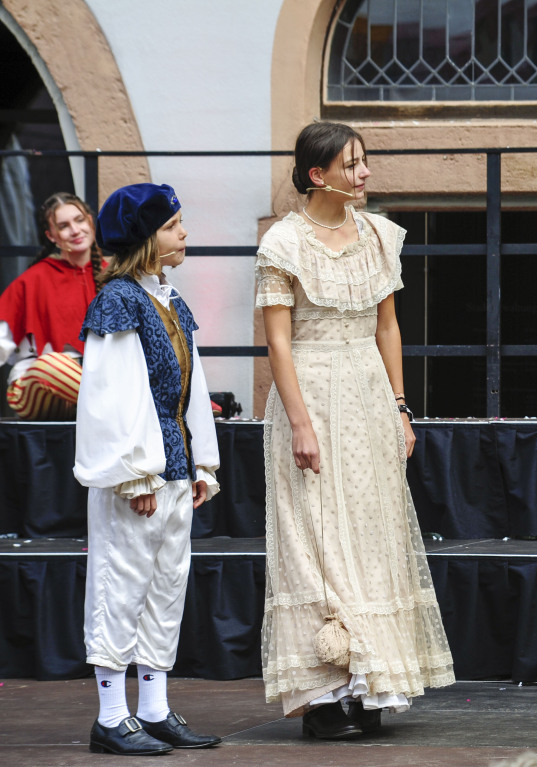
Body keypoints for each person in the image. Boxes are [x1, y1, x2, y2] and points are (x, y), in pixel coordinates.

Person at [258, 121, 454, 738]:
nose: (365, 173)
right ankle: (321, 693)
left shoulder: (377, 236)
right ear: (318, 175)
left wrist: (400, 405)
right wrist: (299, 422)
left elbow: (387, 326)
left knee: (372, 533)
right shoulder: (284, 243)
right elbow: (278, 343)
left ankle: (370, 680)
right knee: (311, 537)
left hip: (367, 398)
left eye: (365, 162)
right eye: (352, 164)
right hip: (309, 394)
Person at [74, 183, 222, 756]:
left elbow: (193, 384)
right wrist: (133, 475)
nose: (183, 232)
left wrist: (200, 461)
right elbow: (114, 396)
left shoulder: (169, 300)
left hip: (174, 466)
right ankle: (112, 716)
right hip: (137, 473)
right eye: (173, 225)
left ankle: (154, 709)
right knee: (121, 585)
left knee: (165, 587)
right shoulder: (118, 301)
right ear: (145, 238)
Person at [0, 193, 104, 419]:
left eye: (79, 220)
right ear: (52, 236)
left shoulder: (115, 277)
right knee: (52, 366)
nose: (75, 230)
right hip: (40, 387)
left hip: (96, 382)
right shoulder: (33, 279)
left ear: (89, 220)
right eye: (64, 226)